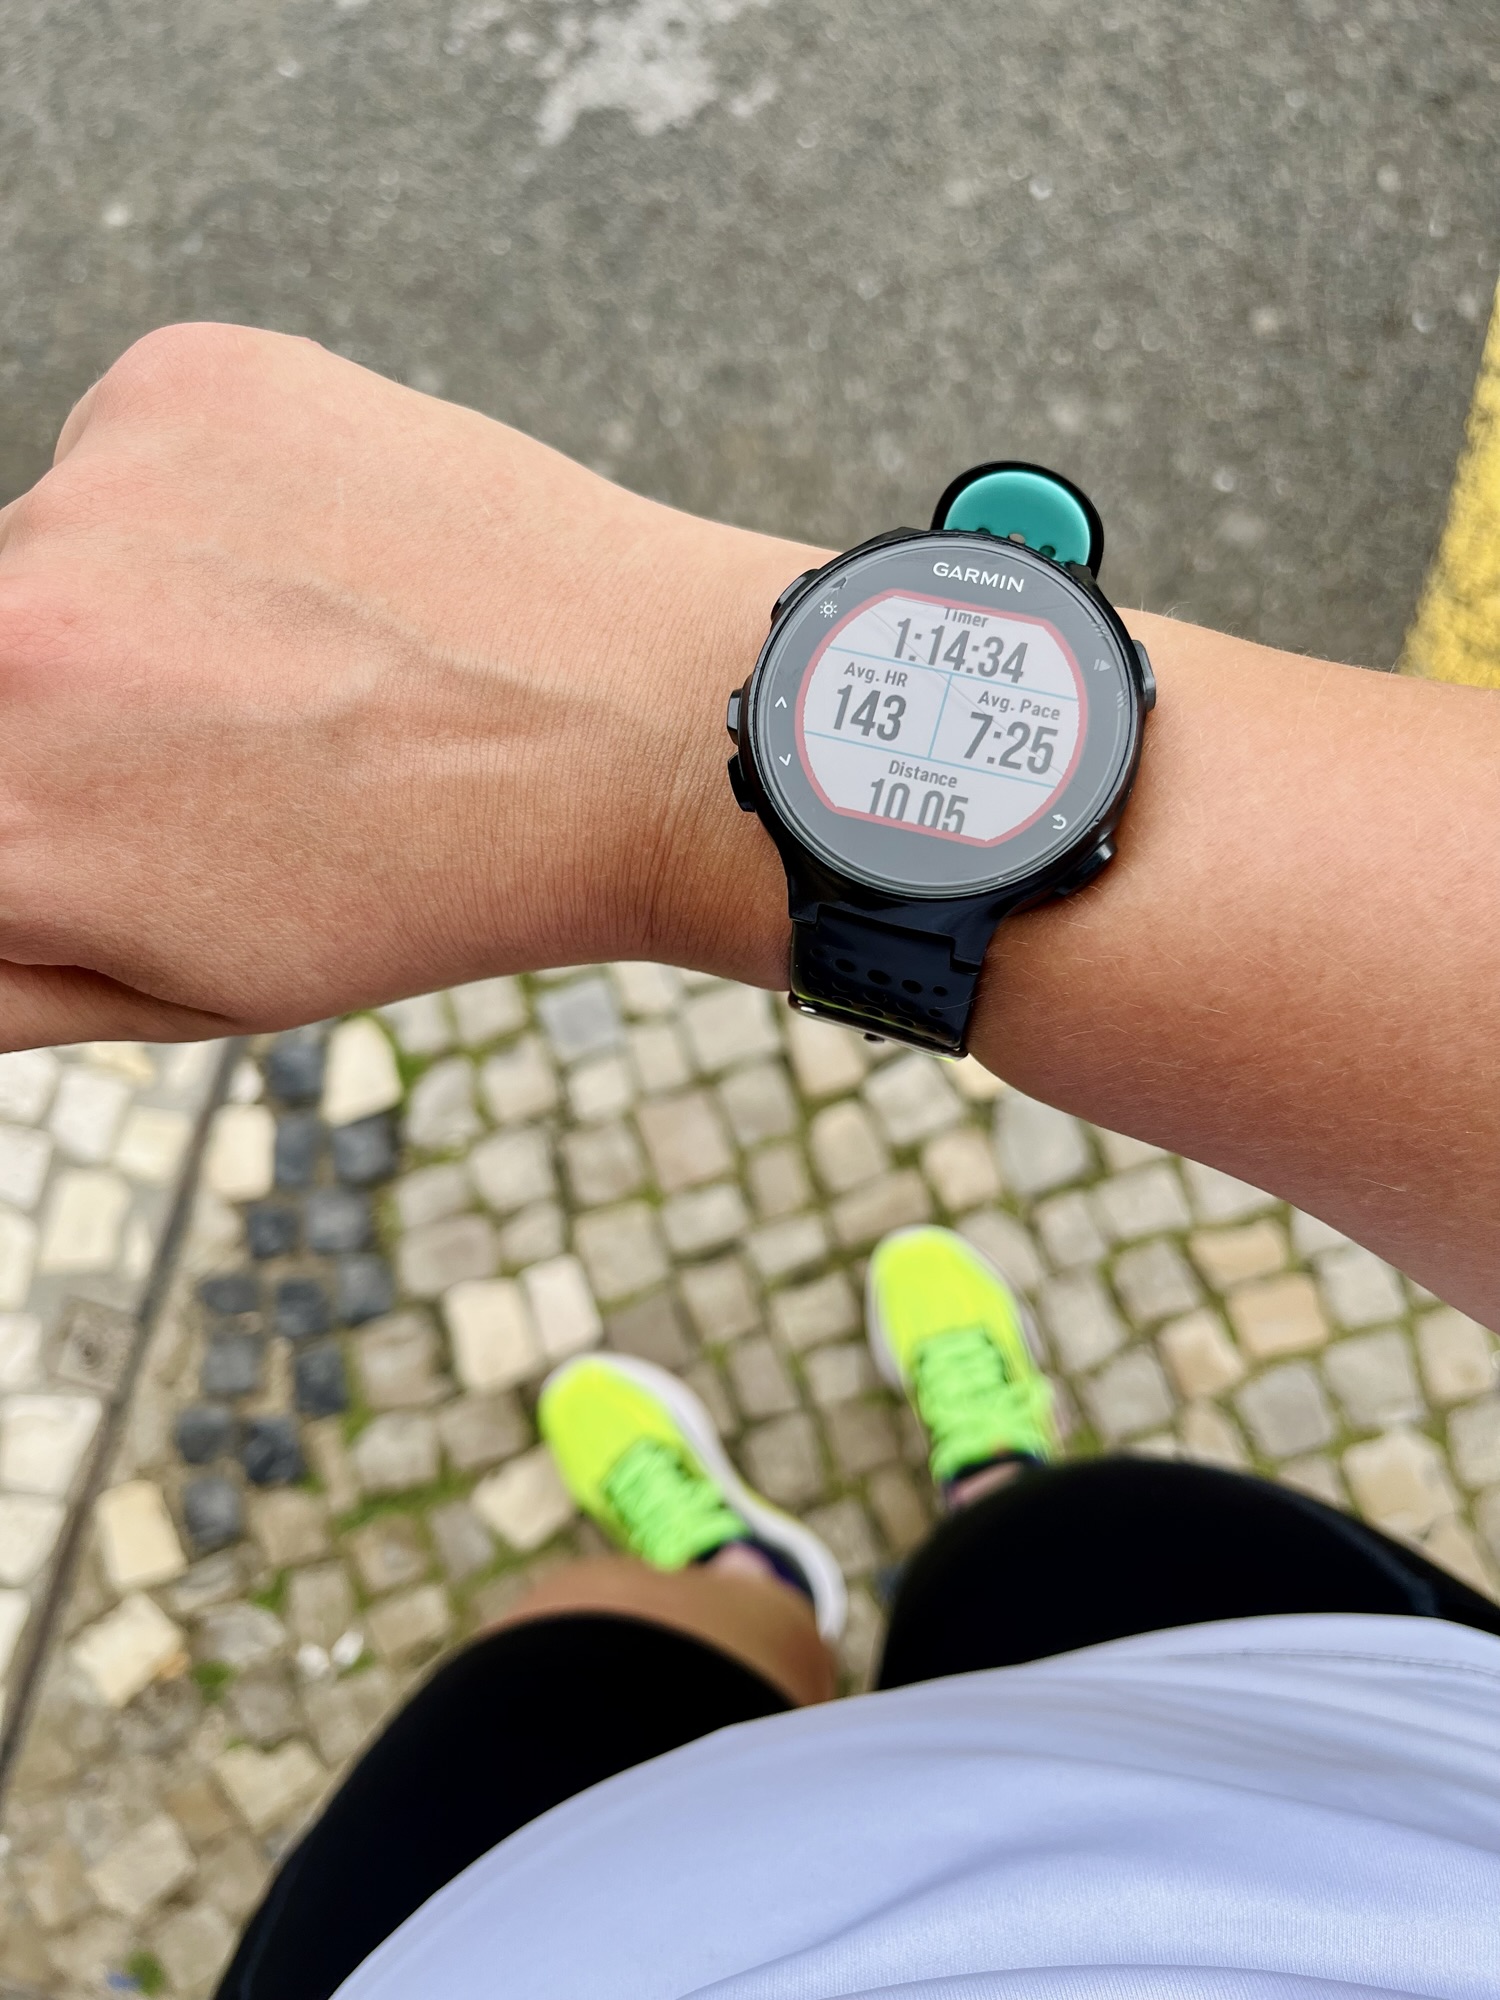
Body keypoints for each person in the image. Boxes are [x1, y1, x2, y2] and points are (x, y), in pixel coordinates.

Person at [2, 324, 1498, 1995]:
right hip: (1345, 1762)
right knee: (1059, 1554)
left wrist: (638, 763)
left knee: (587, 1656)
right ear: (772, 693)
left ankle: (744, 1573)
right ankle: (987, 1485)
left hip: (501, 1938)